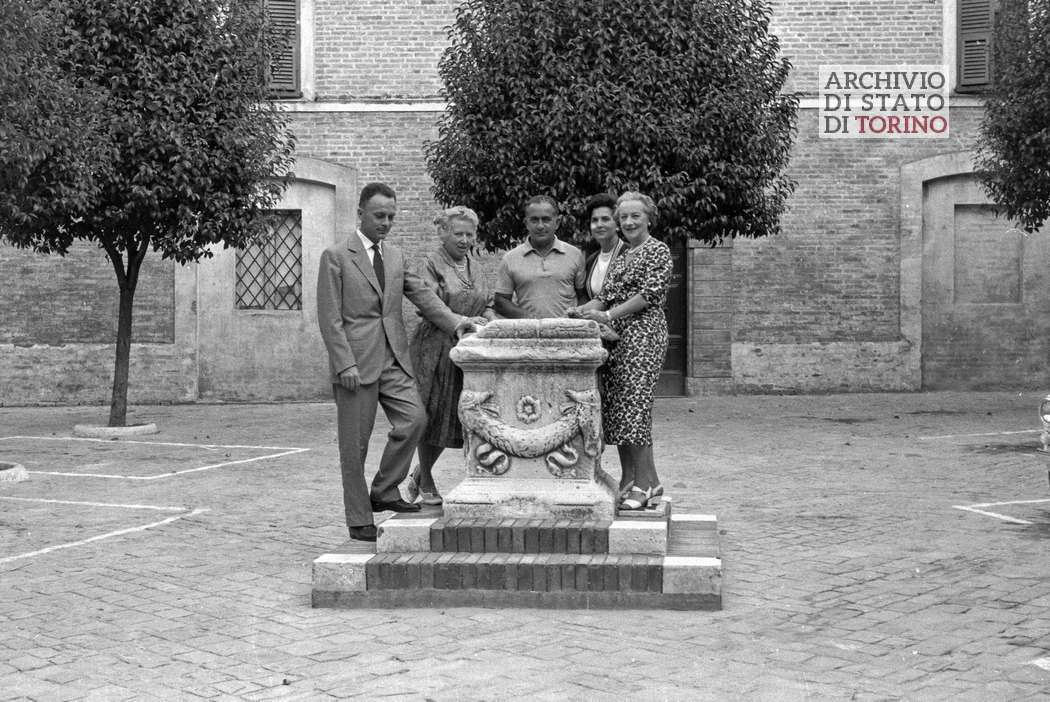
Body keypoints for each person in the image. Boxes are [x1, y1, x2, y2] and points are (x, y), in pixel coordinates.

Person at [316, 182, 481, 542]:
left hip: (393, 359)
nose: (386, 222)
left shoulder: (395, 256)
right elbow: (329, 318)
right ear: (360, 213)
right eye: (379, 215)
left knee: (415, 419)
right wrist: (344, 363)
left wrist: (456, 322)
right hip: (355, 365)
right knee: (354, 447)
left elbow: (422, 295)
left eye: (391, 216)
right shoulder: (336, 256)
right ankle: (359, 518)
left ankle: (385, 489)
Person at [567, 192, 672, 510]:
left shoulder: (658, 250)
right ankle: (640, 481)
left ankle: (644, 485)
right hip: (616, 339)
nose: (628, 222)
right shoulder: (624, 255)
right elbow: (603, 297)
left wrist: (609, 315)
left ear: (649, 218)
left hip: (644, 335)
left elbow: (648, 295)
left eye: (635, 216)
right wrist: (578, 313)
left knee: (635, 408)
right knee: (620, 411)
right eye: (623, 217)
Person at [406, 206, 494, 506]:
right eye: (458, 234)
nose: (465, 240)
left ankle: (421, 471)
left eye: (470, 234)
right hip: (435, 348)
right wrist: (460, 320)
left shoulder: (476, 267)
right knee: (432, 414)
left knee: (455, 416)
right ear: (443, 233)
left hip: (468, 350)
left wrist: (489, 321)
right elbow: (428, 303)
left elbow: (488, 303)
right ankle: (427, 480)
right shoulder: (430, 264)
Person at [494, 195, 586, 318]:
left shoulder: (574, 255)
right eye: (534, 220)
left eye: (546, 220)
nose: (540, 226)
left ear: (557, 223)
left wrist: (574, 318)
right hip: (529, 329)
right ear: (526, 223)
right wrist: (527, 317)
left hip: (567, 328)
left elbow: (584, 296)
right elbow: (501, 301)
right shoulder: (510, 259)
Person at [581, 193, 627, 301]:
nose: (599, 225)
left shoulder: (629, 254)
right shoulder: (591, 261)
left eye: (605, 219)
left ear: (617, 224)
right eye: (594, 220)